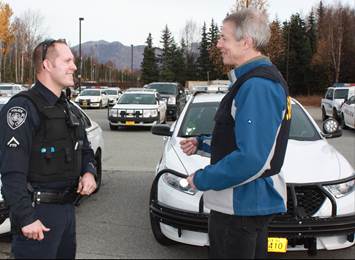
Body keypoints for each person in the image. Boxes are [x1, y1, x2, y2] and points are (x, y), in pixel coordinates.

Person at [180, 8, 292, 259]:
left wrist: (201, 178)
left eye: (223, 38)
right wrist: (202, 143)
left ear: (247, 42)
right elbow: (240, 137)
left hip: (241, 209)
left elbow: (251, 158)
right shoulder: (249, 82)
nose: (218, 44)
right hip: (240, 208)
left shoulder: (258, 85)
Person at [0, 39, 98, 259]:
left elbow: (84, 150)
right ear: (46, 65)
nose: (74, 66)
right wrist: (26, 217)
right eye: (67, 60)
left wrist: (89, 172)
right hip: (37, 216)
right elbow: (11, 172)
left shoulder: (66, 108)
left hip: (66, 211)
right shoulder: (22, 108)